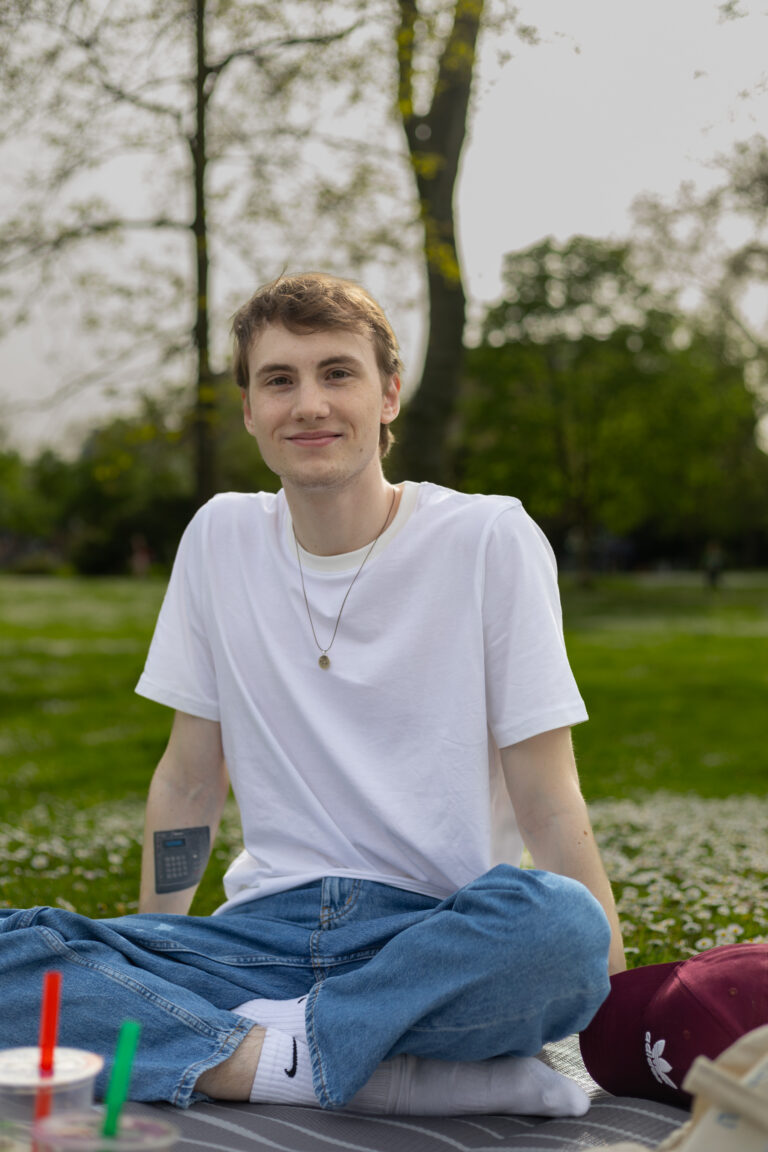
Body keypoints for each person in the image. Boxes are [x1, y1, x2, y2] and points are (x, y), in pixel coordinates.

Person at [1, 273, 624, 1117]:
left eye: (338, 373)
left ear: (388, 394)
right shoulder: (219, 537)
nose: (309, 404)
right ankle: (347, 1067)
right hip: (260, 940)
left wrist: (615, 1011)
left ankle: (248, 1049)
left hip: (435, 941)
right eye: (279, 380)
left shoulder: (488, 538)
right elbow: (189, 780)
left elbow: (551, 806)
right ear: (251, 410)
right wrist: (152, 945)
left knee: (560, 926)